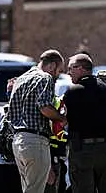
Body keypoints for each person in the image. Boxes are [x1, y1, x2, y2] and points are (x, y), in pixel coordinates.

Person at [6, 49, 66, 193]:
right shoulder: (45, 77)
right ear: (52, 66)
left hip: (18, 141)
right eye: (59, 70)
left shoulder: (20, 79)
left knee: (28, 188)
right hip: (35, 141)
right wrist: (62, 118)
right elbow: (44, 107)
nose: (58, 75)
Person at [63, 53, 106, 193]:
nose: (68, 72)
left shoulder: (73, 91)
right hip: (105, 149)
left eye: (71, 68)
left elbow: (63, 119)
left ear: (81, 68)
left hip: (82, 151)